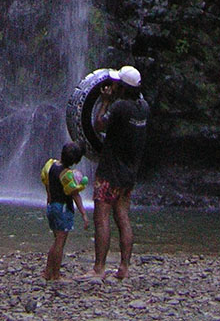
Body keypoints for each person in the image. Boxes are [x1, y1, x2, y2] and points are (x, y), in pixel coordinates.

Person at [89, 65, 149, 281]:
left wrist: (105, 102)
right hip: (129, 172)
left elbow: (98, 125)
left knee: (102, 217)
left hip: (110, 171)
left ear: (122, 87)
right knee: (123, 216)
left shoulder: (120, 108)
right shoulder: (143, 107)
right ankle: (124, 267)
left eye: (117, 83)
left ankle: (99, 268)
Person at [42, 141, 89, 281]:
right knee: (60, 243)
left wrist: (49, 200)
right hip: (62, 208)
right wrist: (84, 214)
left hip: (52, 206)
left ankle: (47, 272)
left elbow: (47, 185)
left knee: (57, 240)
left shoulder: (50, 166)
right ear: (75, 161)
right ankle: (55, 274)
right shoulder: (67, 175)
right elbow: (75, 195)